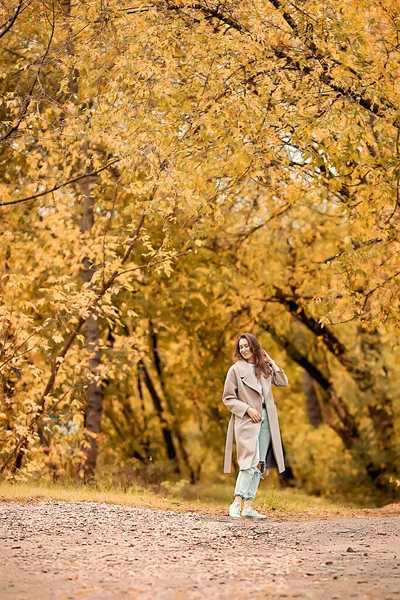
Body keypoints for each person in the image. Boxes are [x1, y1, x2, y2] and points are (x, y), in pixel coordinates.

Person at [222, 333, 289, 519]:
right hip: (247, 420)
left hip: (267, 418)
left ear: (255, 347)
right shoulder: (235, 370)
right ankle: (236, 504)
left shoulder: (264, 369)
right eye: (241, 347)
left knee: (259, 463)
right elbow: (228, 398)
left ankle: (248, 507)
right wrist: (247, 410)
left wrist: (271, 361)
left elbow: (283, 382)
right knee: (248, 462)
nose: (243, 349)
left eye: (247, 346)